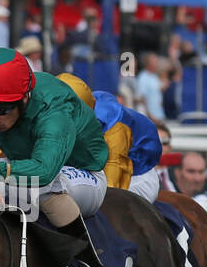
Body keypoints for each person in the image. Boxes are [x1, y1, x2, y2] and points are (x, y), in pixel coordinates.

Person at [0, 47, 110, 267]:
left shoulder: (54, 108)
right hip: (24, 163)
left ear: (24, 98)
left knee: (42, 188)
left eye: (1, 108)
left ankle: (90, 266)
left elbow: (44, 170)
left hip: (79, 172)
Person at [57, 72, 164, 203]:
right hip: (95, 167)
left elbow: (114, 172)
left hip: (136, 174)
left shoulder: (114, 125)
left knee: (110, 204)